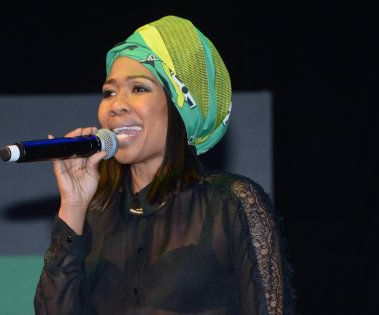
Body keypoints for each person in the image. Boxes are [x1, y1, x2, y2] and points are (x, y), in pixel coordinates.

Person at [34, 15, 295, 314]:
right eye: (109, 92)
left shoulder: (231, 204)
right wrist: (73, 205)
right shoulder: (91, 216)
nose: (116, 104)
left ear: (179, 107)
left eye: (139, 88)